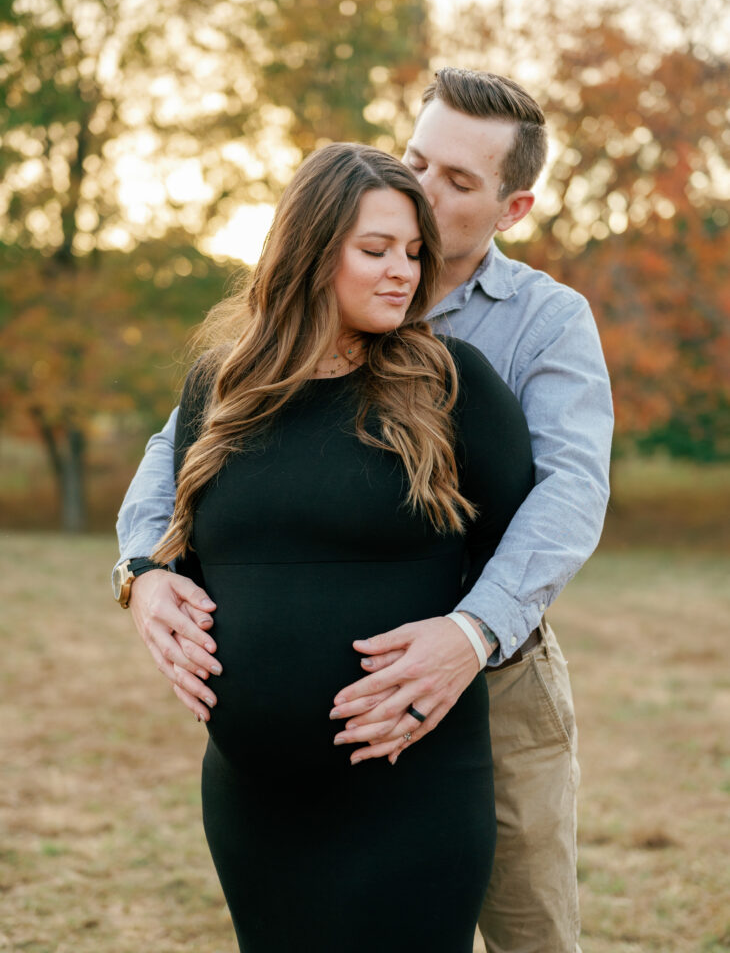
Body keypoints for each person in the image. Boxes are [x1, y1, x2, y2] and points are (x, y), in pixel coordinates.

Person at [116, 69, 613, 952]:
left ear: (513, 208)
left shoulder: (540, 324)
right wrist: (142, 574)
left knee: (529, 926)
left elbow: (566, 495)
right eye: (418, 158)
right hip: (270, 794)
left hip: (493, 669)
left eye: (458, 182)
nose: (422, 188)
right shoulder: (254, 355)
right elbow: (179, 459)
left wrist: (468, 634)